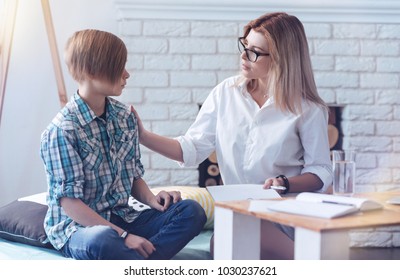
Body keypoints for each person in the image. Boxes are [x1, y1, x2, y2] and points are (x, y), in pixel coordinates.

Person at [131, 12, 334, 256]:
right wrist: (142, 135)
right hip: (239, 214)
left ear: (282, 59)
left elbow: (321, 171)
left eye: (255, 52)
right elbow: (191, 149)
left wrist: (284, 183)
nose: (244, 56)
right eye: (245, 45)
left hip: (285, 214)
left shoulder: (308, 108)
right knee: (226, 239)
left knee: (234, 239)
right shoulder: (225, 93)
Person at [39, 29, 206, 260]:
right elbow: (71, 205)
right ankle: (142, 261)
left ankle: (136, 264)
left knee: (192, 211)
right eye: (119, 67)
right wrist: (124, 236)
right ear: (91, 70)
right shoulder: (61, 131)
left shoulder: (124, 117)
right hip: (78, 228)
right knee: (102, 240)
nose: (126, 74)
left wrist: (152, 200)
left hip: (123, 216)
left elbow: (133, 177)